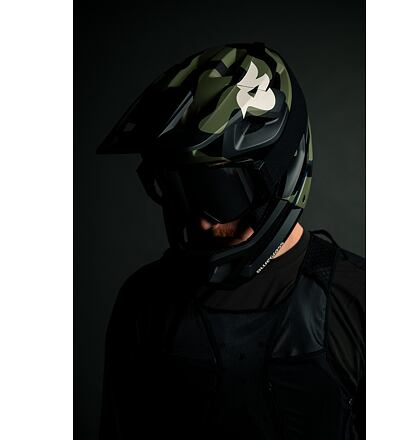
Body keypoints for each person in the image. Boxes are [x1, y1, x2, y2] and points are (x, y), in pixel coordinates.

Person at [97, 42, 365, 440]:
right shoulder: (145, 301)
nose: (200, 221)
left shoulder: (360, 300)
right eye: (177, 190)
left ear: (275, 176)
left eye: (218, 193)